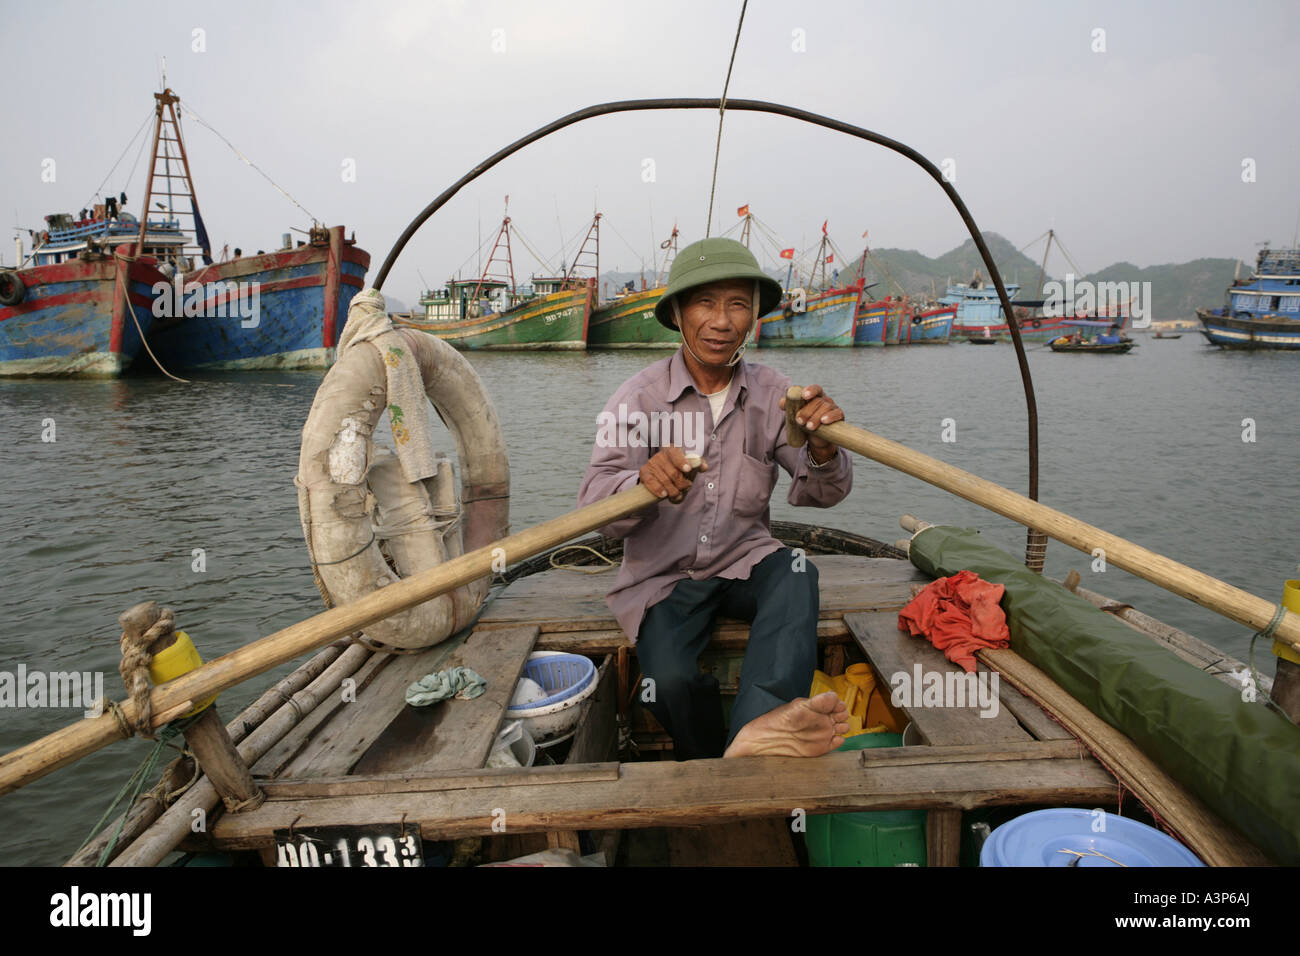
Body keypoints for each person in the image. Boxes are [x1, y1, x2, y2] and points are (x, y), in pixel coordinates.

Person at [578, 238, 852, 761]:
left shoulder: (777, 394)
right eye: (705, 303)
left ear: (753, 317)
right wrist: (642, 485)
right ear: (678, 313)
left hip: (743, 560)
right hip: (664, 577)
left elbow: (824, 494)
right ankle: (714, 761)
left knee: (797, 570)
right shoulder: (637, 398)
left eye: (737, 304)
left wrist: (822, 447)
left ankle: (762, 724)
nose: (721, 321)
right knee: (671, 682)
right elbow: (597, 513)